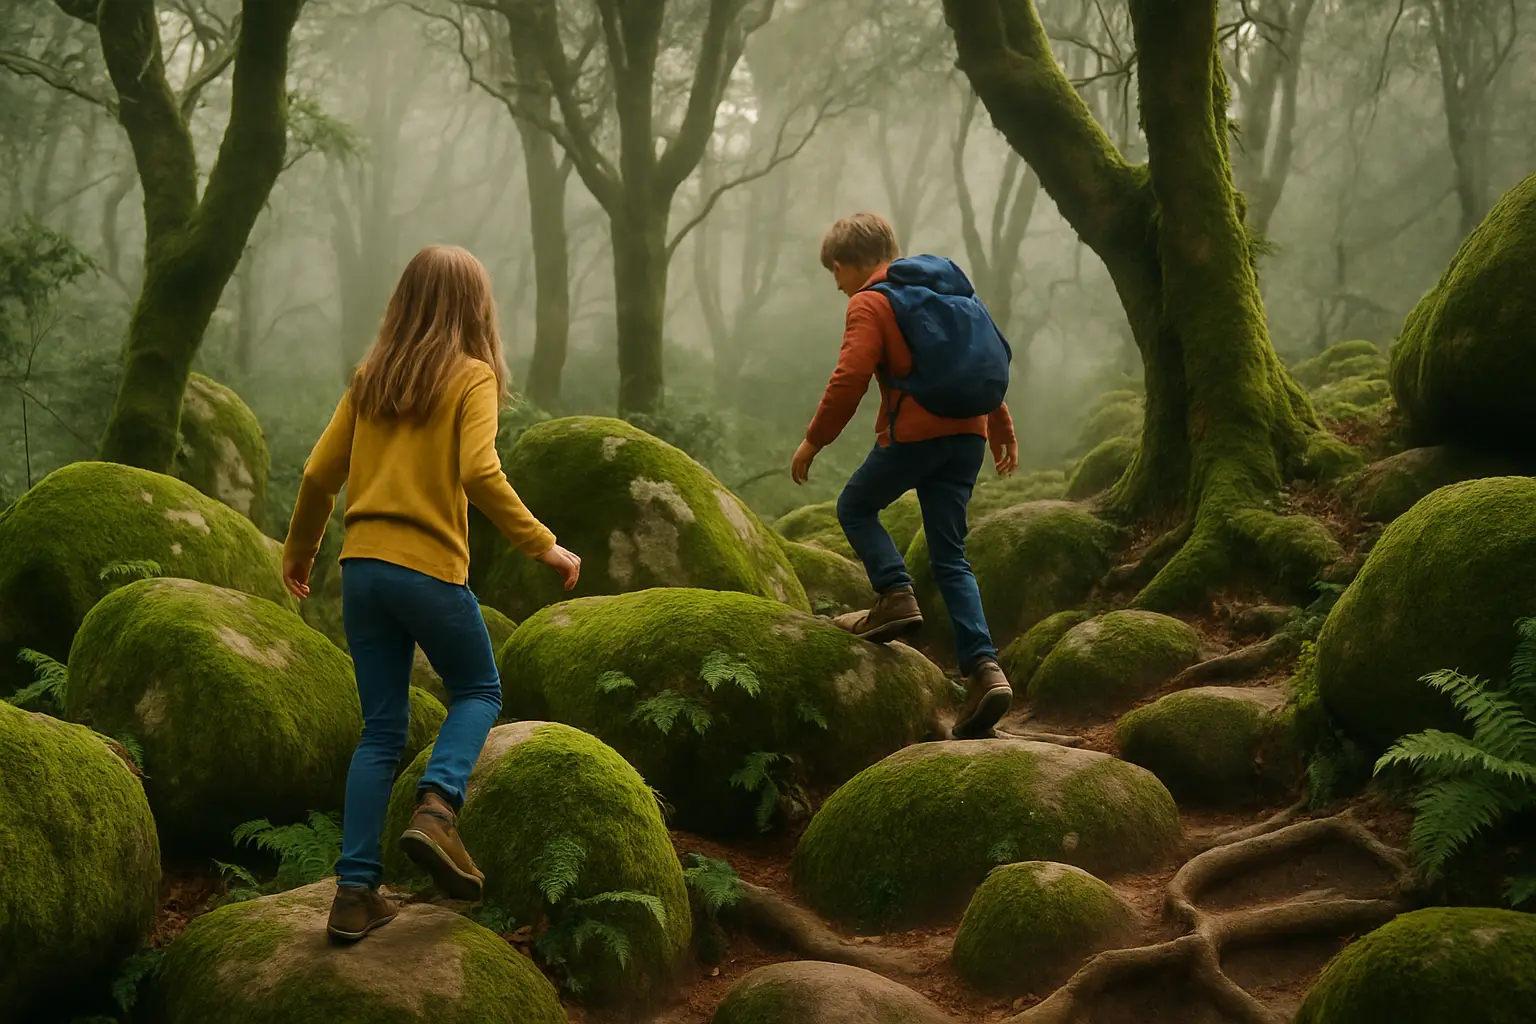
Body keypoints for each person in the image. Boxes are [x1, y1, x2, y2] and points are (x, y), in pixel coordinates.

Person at [282, 244, 581, 943]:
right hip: (427, 570)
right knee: (479, 689)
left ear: (404, 302)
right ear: (477, 309)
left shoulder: (371, 379)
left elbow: (319, 474)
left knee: (381, 732)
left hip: (362, 571)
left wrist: (300, 549)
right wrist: (541, 542)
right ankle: (439, 809)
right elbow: (479, 470)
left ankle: (355, 892)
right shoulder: (472, 377)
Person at [791, 212, 1018, 740]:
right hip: (968, 436)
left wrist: (814, 441)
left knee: (855, 507)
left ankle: (895, 593)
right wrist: (1000, 428)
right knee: (950, 555)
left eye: (835, 272)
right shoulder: (950, 291)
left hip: (915, 436)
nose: (837, 284)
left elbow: (849, 376)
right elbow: (974, 366)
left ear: (846, 264)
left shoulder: (870, 302)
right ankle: (985, 670)